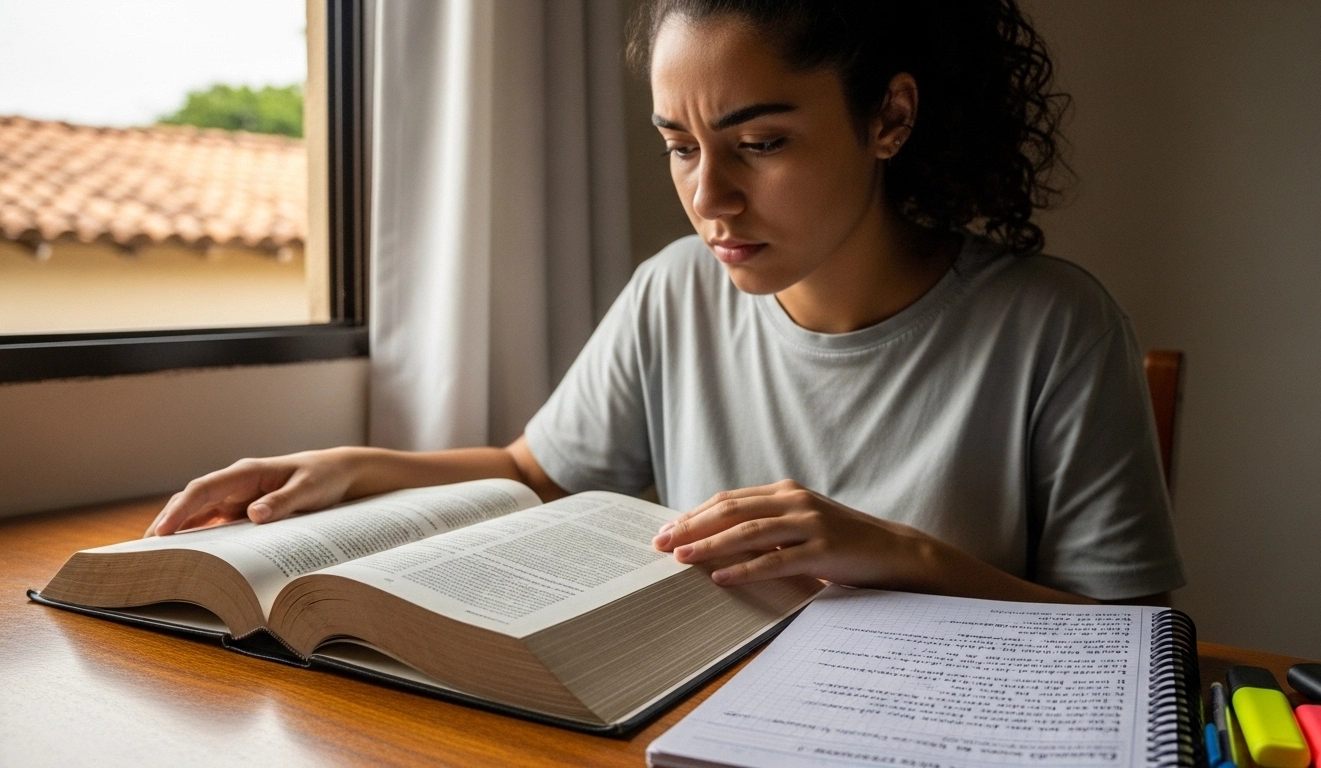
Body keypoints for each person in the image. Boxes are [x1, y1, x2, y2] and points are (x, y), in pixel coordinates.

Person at [146, 0, 1184, 607]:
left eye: (760, 143)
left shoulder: (1055, 327)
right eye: (680, 147)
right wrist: (349, 467)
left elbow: (1134, 637)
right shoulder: (676, 290)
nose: (709, 197)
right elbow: (535, 472)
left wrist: (902, 555)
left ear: (890, 118)